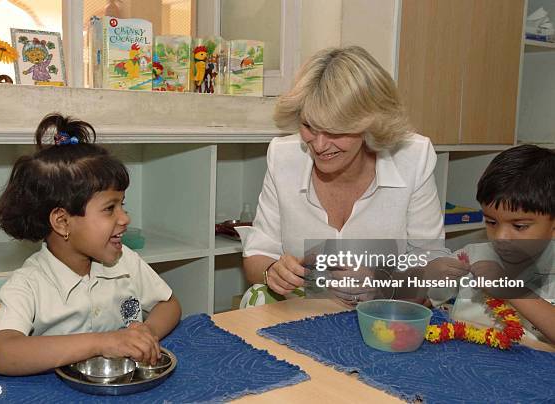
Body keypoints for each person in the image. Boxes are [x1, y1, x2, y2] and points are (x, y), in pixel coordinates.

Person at [238, 46, 460, 307]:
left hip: (384, 315)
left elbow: (433, 264)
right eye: (309, 125)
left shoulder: (412, 157)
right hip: (303, 312)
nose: (319, 145)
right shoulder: (283, 155)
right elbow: (257, 256)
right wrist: (273, 271)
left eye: (335, 130)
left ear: (370, 124)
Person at [0, 113, 181, 375]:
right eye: (109, 208)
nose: (125, 218)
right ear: (62, 222)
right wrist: (103, 342)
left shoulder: (125, 261)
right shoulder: (29, 282)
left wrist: (146, 332)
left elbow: (168, 305)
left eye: (122, 205)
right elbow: (5, 355)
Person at [430, 145, 555, 343]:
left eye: (519, 226)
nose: (501, 236)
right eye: (491, 222)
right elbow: (420, 299)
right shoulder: (473, 255)